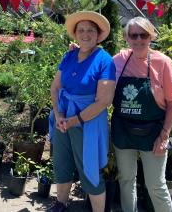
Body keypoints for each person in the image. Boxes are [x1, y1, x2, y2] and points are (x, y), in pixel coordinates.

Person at [49, 11, 116, 212]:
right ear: (75, 34)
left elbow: (104, 100)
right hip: (62, 117)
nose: (85, 34)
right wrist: (59, 115)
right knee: (61, 162)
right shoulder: (69, 56)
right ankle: (61, 204)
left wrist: (73, 120)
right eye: (81, 30)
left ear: (98, 34)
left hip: (88, 122)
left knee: (89, 168)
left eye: (90, 30)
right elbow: (55, 87)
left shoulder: (104, 60)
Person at [112, 17, 172, 212]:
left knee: (156, 185)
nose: (139, 39)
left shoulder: (163, 62)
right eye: (134, 35)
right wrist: (77, 52)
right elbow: (95, 69)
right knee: (126, 180)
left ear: (151, 37)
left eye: (144, 35)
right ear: (127, 38)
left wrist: (164, 135)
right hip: (123, 131)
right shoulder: (118, 60)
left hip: (153, 133)